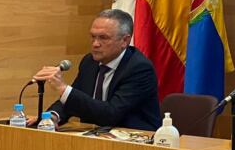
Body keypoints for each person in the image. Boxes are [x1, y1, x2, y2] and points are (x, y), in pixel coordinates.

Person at [32, 9, 161, 131]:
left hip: (136, 143)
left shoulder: (139, 69)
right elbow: (74, 100)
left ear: (125, 41)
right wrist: (52, 117)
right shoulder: (90, 62)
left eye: (103, 38)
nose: (95, 44)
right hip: (96, 138)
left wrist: (63, 89)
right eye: (93, 37)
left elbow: (111, 114)